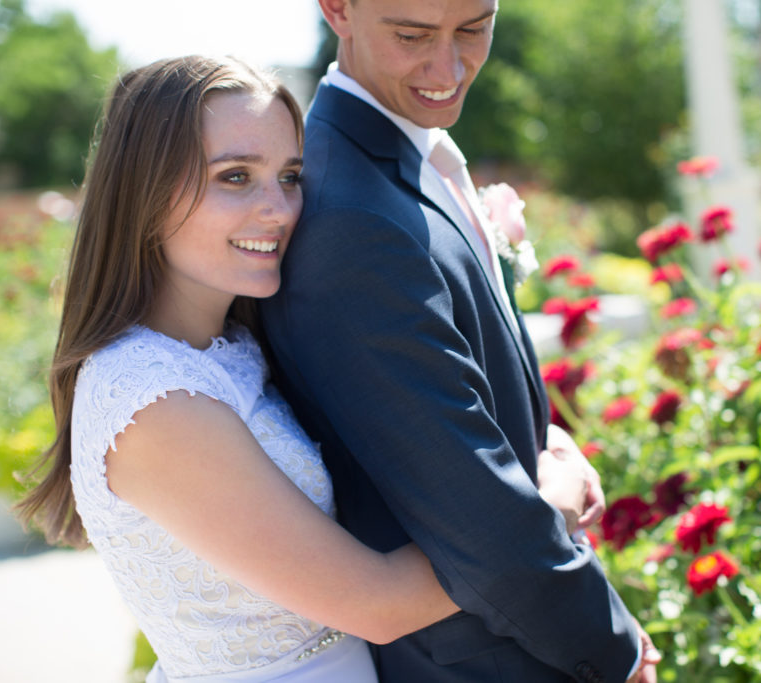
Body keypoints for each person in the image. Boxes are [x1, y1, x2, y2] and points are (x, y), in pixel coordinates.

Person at [15, 55, 593, 682]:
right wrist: (548, 512)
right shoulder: (153, 403)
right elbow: (380, 602)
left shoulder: (233, 347)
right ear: (143, 193)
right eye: (235, 176)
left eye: (290, 176)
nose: (279, 209)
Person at [259, 1, 660, 682]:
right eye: (412, 35)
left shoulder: (410, 153)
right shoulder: (351, 215)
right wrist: (618, 653)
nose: (449, 67)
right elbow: (477, 516)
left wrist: (545, 437)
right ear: (338, 9)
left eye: (475, 27)